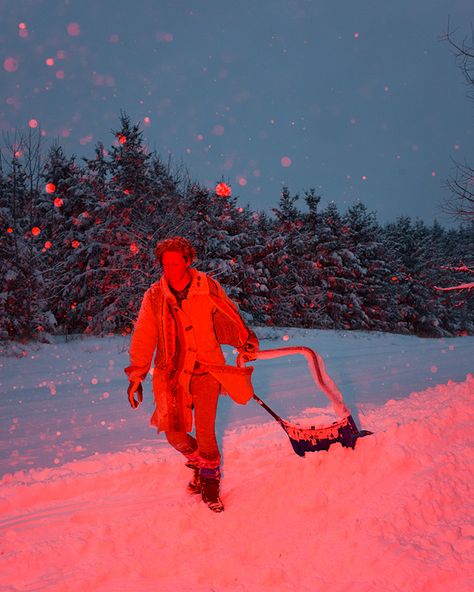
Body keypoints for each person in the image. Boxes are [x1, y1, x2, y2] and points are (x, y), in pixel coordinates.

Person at [125, 237, 259, 512]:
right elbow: (144, 335)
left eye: (175, 262)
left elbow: (228, 313)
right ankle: (199, 463)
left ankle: (210, 482)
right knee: (174, 434)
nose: (170, 268)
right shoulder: (154, 296)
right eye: (165, 263)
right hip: (172, 373)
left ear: (188, 261)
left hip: (207, 369)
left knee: (206, 432)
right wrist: (136, 374)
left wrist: (244, 339)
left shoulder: (206, 286)